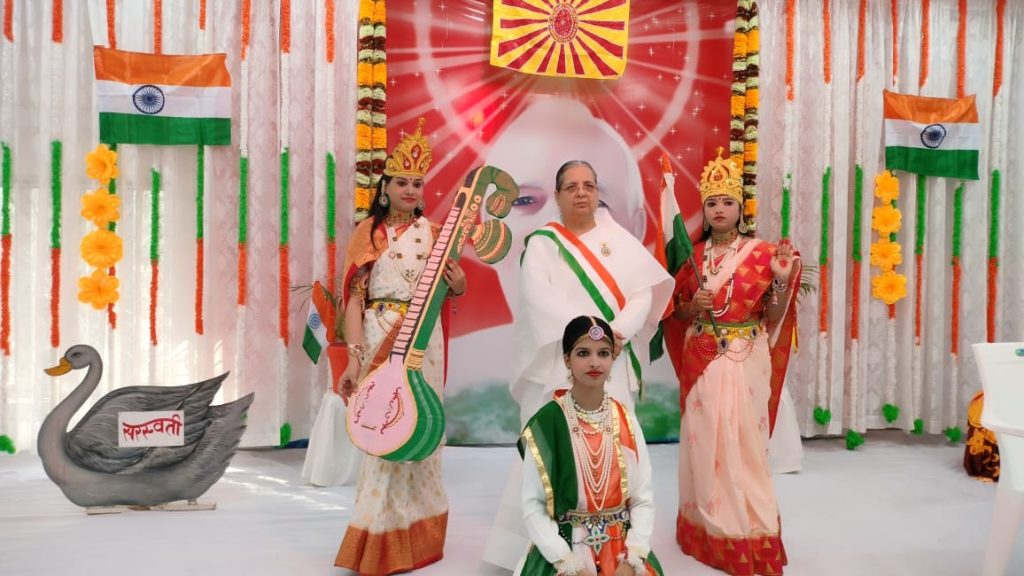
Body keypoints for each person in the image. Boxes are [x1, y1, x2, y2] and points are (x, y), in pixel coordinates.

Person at [485, 160, 672, 568]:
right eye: (571, 187)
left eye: (589, 185)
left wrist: (616, 332)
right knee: (551, 455)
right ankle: (548, 548)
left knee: (615, 450)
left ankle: (619, 544)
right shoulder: (542, 244)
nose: (581, 193)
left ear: (597, 191)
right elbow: (541, 302)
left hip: (610, 361)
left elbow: (641, 293)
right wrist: (590, 340)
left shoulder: (617, 238)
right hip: (561, 363)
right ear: (558, 195)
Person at [333, 119, 467, 575]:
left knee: (421, 427)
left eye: (417, 183)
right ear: (385, 188)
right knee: (383, 428)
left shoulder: (436, 234)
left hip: (424, 340)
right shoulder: (368, 232)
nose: (410, 189)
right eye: (402, 182)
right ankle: (376, 537)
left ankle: (419, 533)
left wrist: (459, 284)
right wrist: (354, 360)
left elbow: (450, 292)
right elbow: (354, 300)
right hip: (378, 335)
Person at [662, 149, 799, 576]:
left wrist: (780, 281)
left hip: (747, 357)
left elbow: (773, 316)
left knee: (745, 446)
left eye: (727, 201)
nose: (719, 209)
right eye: (711, 202)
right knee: (703, 443)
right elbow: (674, 315)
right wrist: (693, 307)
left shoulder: (763, 254)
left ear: (740, 208)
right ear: (703, 211)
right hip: (702, 356)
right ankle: (706, 527)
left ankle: (753, 530)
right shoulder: (692, 256)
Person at [518, 315, 663, 576]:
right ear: (567, 360)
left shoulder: (625, 419)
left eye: (603, 353)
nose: (594, 362)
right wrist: (569, 564)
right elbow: (533, 506)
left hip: (621, 551)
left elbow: (642, 500)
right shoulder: (548, 423)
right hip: (565, 550)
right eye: (583, 353)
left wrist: (632, 558)